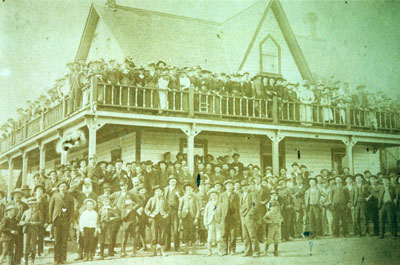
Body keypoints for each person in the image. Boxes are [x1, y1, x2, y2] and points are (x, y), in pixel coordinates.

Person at [49, 180, 75, 265]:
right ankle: (56, 259)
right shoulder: (54, 196)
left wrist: (71, 219)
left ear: (67, 187)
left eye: (64, 186)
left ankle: (63, 259)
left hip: (65, 220)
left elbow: (72, 209)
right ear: (58, 187)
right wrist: (50, 220)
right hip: (57, 220)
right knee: (57, 240)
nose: (63, 188)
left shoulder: (70, 196)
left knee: (64, 240)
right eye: (61, 186)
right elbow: (51, 208)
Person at [145, 185, 169, 256]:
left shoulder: (164, 200)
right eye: (156, 191)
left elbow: (168, 209)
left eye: (159, 191)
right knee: (154, 234)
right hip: (154, 218)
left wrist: (166, 214)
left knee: (162, 234)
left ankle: (162, 251)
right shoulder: (151, 199)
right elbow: (146, 209)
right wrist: (150, 214)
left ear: (162, 192)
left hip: (162, 218)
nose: (158, 193)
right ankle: (154, 251)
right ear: (154, 192)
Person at [19, 197, 44, 265]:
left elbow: (41, 223)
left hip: (34, 230)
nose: (31, 205)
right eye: (30, 204)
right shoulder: (26, 212)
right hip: (26, 230)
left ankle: (32, 261)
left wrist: (33, 223)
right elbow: (20, 222)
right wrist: (24, 223)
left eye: (33, 204)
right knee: (25, 245)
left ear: (36, 204)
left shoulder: (38, 212)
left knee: (33, 246)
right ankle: (25, 261)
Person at [178, 182, 200, 255]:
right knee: (185, 233)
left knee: (193, 232)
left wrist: (196, 218)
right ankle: (186, 249)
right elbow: (180, 209)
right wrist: (180, 218)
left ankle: (194, 250)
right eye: (187, 190)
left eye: (190, 190)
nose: (189, 191)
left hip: (192, 217)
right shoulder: (183, 198)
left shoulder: (195, 198)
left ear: (192, 190)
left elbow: (198, 209)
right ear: (185, 191)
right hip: (185, 217)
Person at [240, 179, 260, 257]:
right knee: (245, 236)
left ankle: (256, 252)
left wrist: (250, 214)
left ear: (248, 186)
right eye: (243, 186)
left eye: (246, 186)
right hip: (243, 216)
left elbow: (255, 205)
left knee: (252, 235)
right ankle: (248, 251)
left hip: (249, 217)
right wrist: (241, 215)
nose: (244, 187)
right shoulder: (241, 195)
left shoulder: (252, 194)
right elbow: (240, 206)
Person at [164, 176, 181, 251]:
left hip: (175, 211)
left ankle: (177, 247)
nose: (173, 183)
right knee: (167, 229)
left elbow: (182, 200)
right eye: (171, 181)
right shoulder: (165, 189)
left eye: (174, 181)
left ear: (176, 182)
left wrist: (179, 195)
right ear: (169, 182)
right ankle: (167, 246)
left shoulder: (179, 190)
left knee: (175, 230)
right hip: (167, 212)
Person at [204, 188, 222, 256]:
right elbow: (205, 214)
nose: (213, 197)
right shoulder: (208, 204)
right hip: (210, 222)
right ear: (210, 197)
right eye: (212, 195)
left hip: (218, 221)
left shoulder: (220, 204)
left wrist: (221, 222)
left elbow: (222, 214)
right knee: (210, 236)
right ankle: (209, 251)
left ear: (217, 196)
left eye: (215, 195)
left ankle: (219, 250)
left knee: (218, 236)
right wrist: (206, 223)